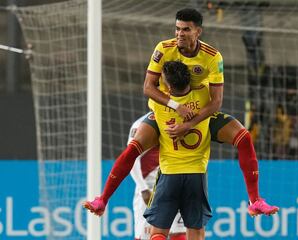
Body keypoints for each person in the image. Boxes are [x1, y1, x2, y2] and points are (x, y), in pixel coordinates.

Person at [83, 8, 278, 218]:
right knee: (133, 149)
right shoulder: (164, 49)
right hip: (165, 113)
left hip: (197, 114)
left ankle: (255, 200)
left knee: (243, 136)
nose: (179, 34)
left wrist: (188, 124)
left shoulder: (212, 57)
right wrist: (176, 106)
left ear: (198, 31)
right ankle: (102, 200)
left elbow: (217, 102)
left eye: (186, 29)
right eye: (177, 29)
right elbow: (148, 87)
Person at [144, 60, 212, 240]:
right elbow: (208, 84)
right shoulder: (204, 97)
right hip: (196, 173)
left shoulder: (157, 104)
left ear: (168, 86)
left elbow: (152, 90)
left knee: (158, 232)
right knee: (196, 230)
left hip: (169, 173)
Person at [128, 115, 186, 240]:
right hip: (151, 191)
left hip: (177, 186)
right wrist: (143, 189)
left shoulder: (184, 122)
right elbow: (131, 158)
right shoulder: (141, 125)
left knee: (180, 234)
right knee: (146, 236)